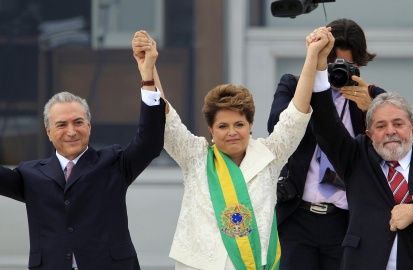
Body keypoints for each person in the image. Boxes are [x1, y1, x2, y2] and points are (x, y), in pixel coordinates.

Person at [132, 28, 333, 270]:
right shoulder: (195, 156)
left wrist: (312, 55)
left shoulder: (270, 156)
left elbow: (297, 115)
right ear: (211, 130)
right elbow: (166, 119)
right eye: (223, 126)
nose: (232, 132)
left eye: (239, 124)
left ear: (250, 125)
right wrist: (148, 70)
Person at [0, 32, 166, 269]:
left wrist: (147, 76)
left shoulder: (113, 163)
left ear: (89, 126)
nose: (71, 131)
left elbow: (150, 141)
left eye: (78, 122)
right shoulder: (30, 175)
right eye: (61, 125)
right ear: (48, 132)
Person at [309, 78, 413, 267]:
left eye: (398, 124)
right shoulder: (356, 159)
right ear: (370, 135)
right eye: (380, 126)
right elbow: (326, 125)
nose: (390, 131)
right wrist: (318, 70)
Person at [267, 18, 385, 269]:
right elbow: (276, 128)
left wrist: (370, 109)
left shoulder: (373, 97)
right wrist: (311, 88)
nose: (336, 71)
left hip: (346, 220)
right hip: (297, 216)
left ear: (360, 64)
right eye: (330, 63)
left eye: (346, 64)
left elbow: (389, 152)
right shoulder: (294, 85)